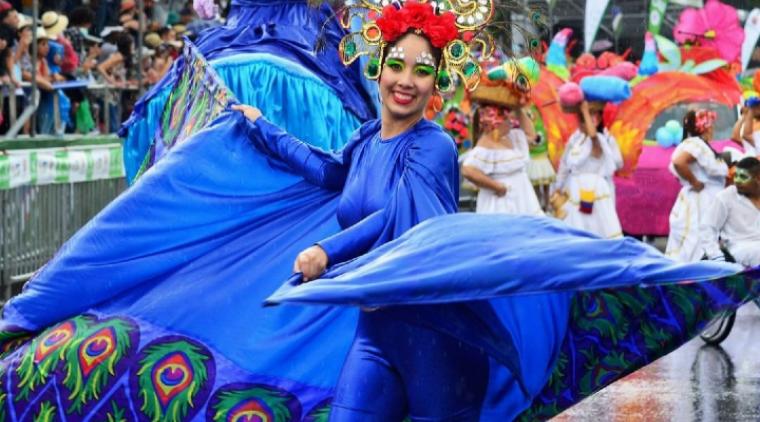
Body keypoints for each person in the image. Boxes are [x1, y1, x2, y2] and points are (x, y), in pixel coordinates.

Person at [461, 65, 543, 216]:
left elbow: (531, 134)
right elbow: (468, 170)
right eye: (506, 118)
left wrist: (518, 107)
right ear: (495, 123)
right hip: (500, 205)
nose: (510, 121)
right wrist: (497, 187)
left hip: (523, 199)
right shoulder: (486, 143)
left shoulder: (513, 136)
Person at [552, 100, 622, 238]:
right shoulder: (576, 140)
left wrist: (585, 110)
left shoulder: (601, 140)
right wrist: (558, 187)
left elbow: (594, 136)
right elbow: (565, 164)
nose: (581, 122)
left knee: (595, 226)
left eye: (586, 119)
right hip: (574, 189)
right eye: (581, 119)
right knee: (576, 225)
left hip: (593, 190)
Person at [666, 109, 729, 262]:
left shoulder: (700, 145)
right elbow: (679, 162)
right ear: (705, 127)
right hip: (699, 202)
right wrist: (694, 182)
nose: (713, 129)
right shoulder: (696, 144)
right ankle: (691, 276)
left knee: (702, 239)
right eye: (711, 125)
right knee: (695, 241)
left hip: (704, 200)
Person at [700, 156, 760, 267]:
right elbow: (707, 228)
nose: (736, 180)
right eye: (735, 175)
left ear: (758, 178)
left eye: (743, 177)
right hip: (738, 249)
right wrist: (716, 257)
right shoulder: (725, 197)